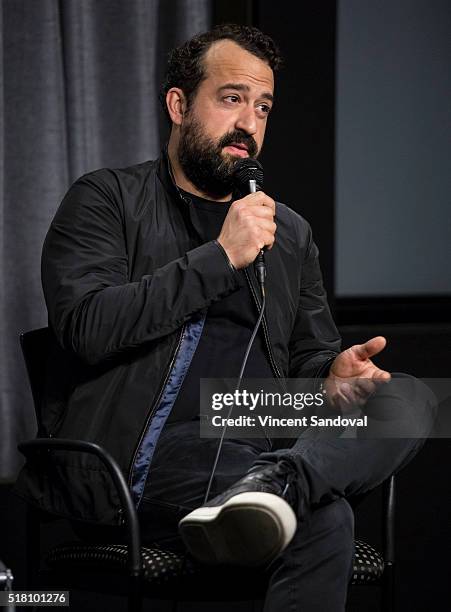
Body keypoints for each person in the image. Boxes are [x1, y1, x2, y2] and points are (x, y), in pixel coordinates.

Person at [16, 24, 435, 611]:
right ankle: (285, 488)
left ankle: (280, 483)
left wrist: (332, 376)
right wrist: (221, 258)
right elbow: (86, 327)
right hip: (151, 443)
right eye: (232, 98)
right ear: (179, 104)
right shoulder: (105, 199)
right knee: (324, 518)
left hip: (254, 423)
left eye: (263, 107)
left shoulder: (288, 231)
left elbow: (308, 358)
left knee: (411, 400)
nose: (249, 123)